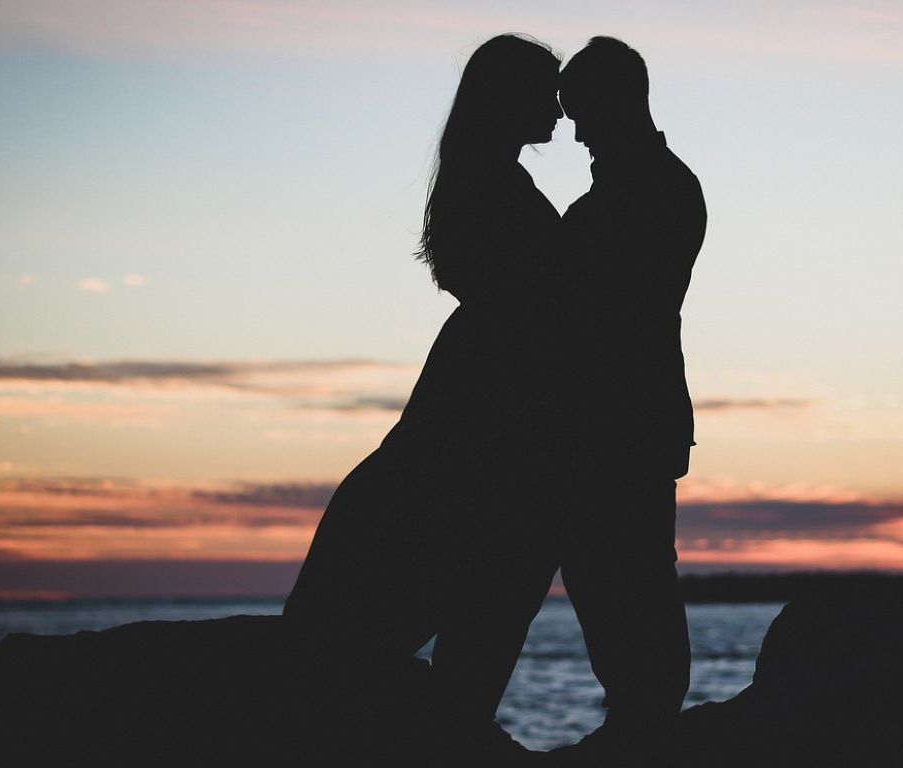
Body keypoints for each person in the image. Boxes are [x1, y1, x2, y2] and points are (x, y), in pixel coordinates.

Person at [282, 34, 565, 762]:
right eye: (547, 88)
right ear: (509, 98)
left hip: (474, 394)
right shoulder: (498, 190)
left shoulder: (484, 180)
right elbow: (536, 309)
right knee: (485, 599)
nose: (560, 106)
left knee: (465, 604)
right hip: (489, 411)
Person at [548, 36, 708, 765]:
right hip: (615, 420)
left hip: (625, 421)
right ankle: (638, 721)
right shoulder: (633, 189)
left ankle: (645, 726)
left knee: (630, 573)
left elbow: (611, 311)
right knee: (607, 572)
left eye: (582, 114)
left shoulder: (654, 191)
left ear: (621, 103)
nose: (575, 132)